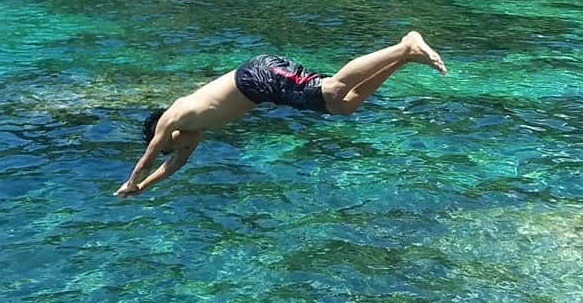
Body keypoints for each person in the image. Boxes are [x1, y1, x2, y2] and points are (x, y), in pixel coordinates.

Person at [115, 31, 446, 197]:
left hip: (259, 75)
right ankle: (405, 58)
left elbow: (150, 157)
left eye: (173, 145)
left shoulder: (174, 117)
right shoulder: (190, 134)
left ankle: (405, 44)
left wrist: (131, 182)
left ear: (165, 134)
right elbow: (173, 164)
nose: (185, 146)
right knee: (343, 106)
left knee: (331, 88)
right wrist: (143, 190)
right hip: (267, 91)